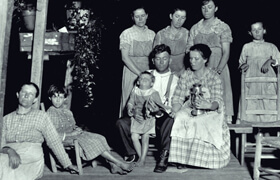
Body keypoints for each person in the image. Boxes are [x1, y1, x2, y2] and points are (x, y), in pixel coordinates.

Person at [46, 84, 135, 175]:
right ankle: (118, 163)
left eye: (60, 97)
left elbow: (73, 125)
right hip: (64, 138)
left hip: (75, 134)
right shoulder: (50, 113)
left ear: (65, 99)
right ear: (50, 98)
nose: (57, 100)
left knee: (100, 138)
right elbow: (52, 135)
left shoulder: (68, 112)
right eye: (55, 97)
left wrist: (77, 129)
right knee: (92, 141)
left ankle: (112, 165)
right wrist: (71, 134)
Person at [116, 44, 178, 171]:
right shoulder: (145, 75)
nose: (161, 62)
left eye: (164, 58)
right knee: (121, 123)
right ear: (152, 60)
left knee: (170, 121)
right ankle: (131, 153)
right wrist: (133, 112)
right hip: (140, 115)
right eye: (158, 58)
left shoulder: (175, 79)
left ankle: (163, 156)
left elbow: (172, 105)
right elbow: (133, 97)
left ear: (170, 60)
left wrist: (158, 111)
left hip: (160, 115)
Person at [168, 43, 230, 169]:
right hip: (190, 108)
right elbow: (178, 97)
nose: (192, 61)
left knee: (201, 121)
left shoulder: (214, 77)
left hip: (212, 111)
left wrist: (208, 105)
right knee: (180, 117)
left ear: (205, 59)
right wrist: (174, 110)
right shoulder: (186, 75)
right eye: (191, 58)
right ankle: (182, 159)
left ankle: (206, 160)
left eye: (196, 59)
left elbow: (217, 100)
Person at [0, 82, 77, 180]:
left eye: (31, 94)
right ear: (18, 94)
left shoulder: (41, 116)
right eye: (24, 92)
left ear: (35, 99)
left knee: (4, 164)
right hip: (9, 154)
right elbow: (1, 145)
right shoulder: (6, 119)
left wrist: (67, 164)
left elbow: (54, 141)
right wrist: (10, 151)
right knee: (3, 162)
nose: (27, 95)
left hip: (31, 157)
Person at [186, 0, 234, 123]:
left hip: (218, 66)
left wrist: (218, 71)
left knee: (218, 99)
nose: (206, 10)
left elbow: (226, 52)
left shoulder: (223, 27)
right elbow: (188, 50)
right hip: (199, 68)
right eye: (203, 7)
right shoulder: (195, 28)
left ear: (216, 8)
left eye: (210, 7)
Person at [238, 20, 280, 123]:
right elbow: (241, 63)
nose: (257, 32)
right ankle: (253, 133)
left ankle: (267, 135)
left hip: (267, 82)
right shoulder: (246, 47)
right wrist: (243, 66)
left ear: (264, 31)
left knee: (268, 105)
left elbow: (279, 60)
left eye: (259, 29)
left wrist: (270, 61)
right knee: (251, 105)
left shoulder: (271, 46)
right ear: (250, 32)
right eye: (254, 30)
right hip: (251, 83)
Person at [119, 5, 156, 117]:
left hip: (148, 71)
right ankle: (127, 130)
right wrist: (140, 74)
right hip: (131, 72)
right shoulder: (127, 33)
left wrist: (148, 74)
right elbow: (124, 57)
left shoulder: (152, 34)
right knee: (130, 101)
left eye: (143, 16)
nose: (140, 19)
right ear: (133, 18)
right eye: (137, 16)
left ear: (147, 16)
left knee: (147, 100)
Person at [127, 71, 168, 166]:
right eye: (141, 78)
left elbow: (159, 106)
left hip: (149, 118)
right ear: (137, 82)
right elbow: (130, 103)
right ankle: (141, 157)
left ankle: (142, 159)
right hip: (137, 118)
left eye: (147, 79)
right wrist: (130, 109)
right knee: (134, 136)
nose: (143, 80)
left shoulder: (153, 93)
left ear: (152, 83)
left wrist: (152, 110)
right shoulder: (135, 91)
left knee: (145, 136)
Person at [153, 6, 189, 77]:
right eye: (177, 16)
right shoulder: (161, 34)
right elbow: (155, 57)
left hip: (182, 73)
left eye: (182, 18)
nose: (179, 20)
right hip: (164, 73)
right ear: (171, 16)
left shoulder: (187, 33)